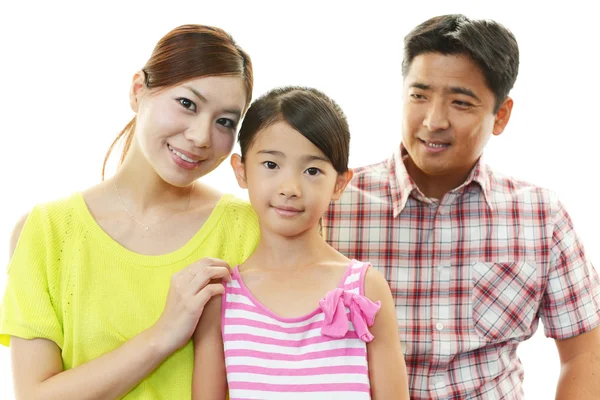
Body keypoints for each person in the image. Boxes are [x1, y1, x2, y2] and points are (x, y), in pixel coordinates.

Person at [323, 14, 600, 400]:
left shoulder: (540, 216)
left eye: (460, 102)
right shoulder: (333, 205)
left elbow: (586, 353)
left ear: (500, 115)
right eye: (419, 96)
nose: (434, 121)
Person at [0, 24, 259, 399]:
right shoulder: (46, 232)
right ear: (139, 90)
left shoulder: (247, 230)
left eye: (225, 122)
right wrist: (163, 334)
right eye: (188, 103)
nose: (201, 137)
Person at [192, 86, 409, 399]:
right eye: (271, 165)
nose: (290, 187)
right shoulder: (221, 299)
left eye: (312, 170)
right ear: (241, 171)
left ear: (339, 183)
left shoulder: (366, 288)